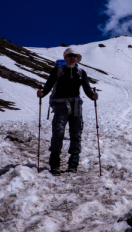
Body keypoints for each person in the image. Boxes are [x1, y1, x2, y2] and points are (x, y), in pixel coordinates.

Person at [37, 47, 98, 175]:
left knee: (76, 133)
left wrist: (92, 95)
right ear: (65, 58)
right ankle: (55, 163)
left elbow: (86, 88)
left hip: (76, 104)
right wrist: (42, 93)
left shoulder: (81, 72)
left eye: (74, 56)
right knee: (58, 132)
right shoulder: (57, 71)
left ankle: (73, 163)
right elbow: (48, 85)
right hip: (60, 104)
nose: (72, 58)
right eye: (70, 56)